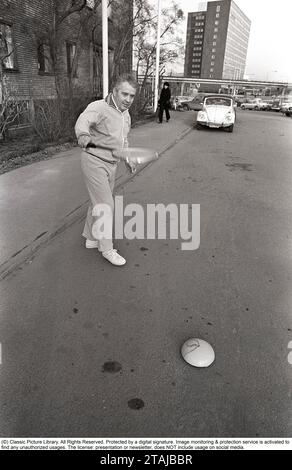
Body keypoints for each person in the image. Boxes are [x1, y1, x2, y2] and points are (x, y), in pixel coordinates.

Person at [75, 74, 138, 266]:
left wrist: (127, 157)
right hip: (94, 161)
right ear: (114, 91)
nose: (128, 99)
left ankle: (91, 238)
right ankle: (107, 248)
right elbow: (83, 121)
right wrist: (83, 134)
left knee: (98, 202)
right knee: (105, 206)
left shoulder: (126, 115)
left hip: (112, 164)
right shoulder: (99, 107)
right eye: (124, 94)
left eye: (132, 96)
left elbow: (123, 141)